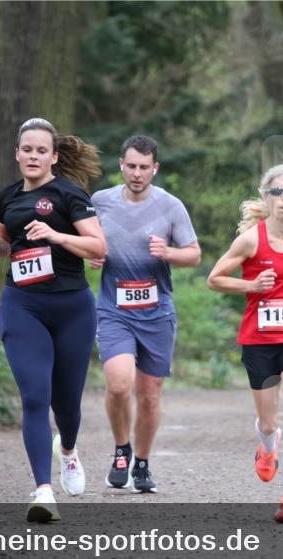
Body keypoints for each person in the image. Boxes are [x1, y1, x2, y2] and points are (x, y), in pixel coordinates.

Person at [0, 118, 106, 522]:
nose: (33, 156)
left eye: (41, 150)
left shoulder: (69, 194)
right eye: (26, 149)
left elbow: (99, 246)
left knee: (66, 403)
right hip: (23, 304)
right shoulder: (7, 197)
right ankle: (43, 489)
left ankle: (67, 449)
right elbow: (7, 244)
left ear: (54, 156)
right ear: (17, 154)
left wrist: (58, 236)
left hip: (71, 307)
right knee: (34, 396)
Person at [207, 164, 283, 523]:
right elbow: (215, 279)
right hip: (258, 339)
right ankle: (267, 446)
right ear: (266, 196)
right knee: (269, 422)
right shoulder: (250, 241)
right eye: (277, 192)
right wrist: (251, 286)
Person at [90, 135, 200, 494]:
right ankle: (121, 450)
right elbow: (86, 243)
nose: (137, 174)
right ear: (121, 165)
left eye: (144, 167)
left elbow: (194, 255)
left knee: (149, 395)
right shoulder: (100, 202)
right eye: (131, 166)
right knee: (119, 384)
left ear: (156, 168)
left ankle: (141, 464)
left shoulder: (170, 206)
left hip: (156, 312)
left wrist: (167, 252)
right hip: (114, 308)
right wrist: (91, 256)